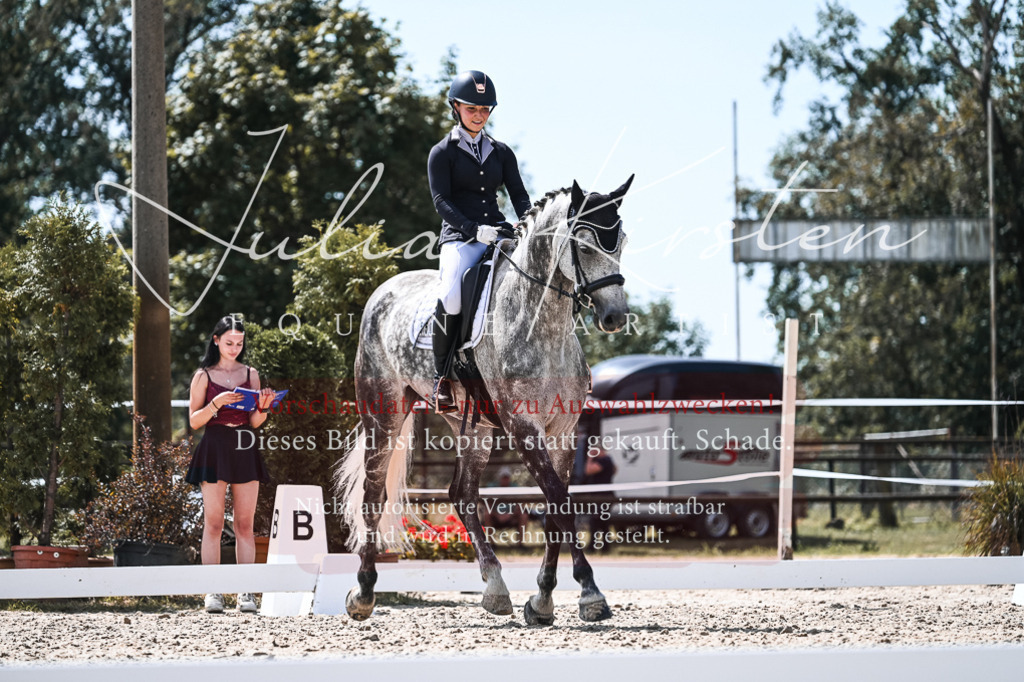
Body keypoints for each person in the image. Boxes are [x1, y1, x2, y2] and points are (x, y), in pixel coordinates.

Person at [427, 69, 532, 412]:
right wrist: (473, 230)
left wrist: (528, 222)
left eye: (485, 109)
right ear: (455, 107)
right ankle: (442, 377)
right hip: (460, 238)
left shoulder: (501, 152)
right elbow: (441, 201)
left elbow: (518, 194)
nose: (478, 115)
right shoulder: (443, 152)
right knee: (451, 294)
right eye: (472, 108)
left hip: (500, 234)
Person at [185, 315, 276, 614]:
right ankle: (213, 591)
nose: (235, 348)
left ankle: (246, 592)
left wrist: (263, 407)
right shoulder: (203, 376)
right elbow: (194, 421)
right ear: (216, 340)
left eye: (239, 343)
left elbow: (255, 422)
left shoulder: (251, 374)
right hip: (214, 447)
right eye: (229, 343)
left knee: (245, 525)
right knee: (213, 522)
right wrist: (218, 403)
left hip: (244, 447)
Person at [479, 467, 530, 548]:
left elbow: (520, 504)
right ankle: (492, 544)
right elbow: (487, 503)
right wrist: (497, 515)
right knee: (486, 514)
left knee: (524, 515)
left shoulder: (515, 488)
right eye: (503, 477)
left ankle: (520, 544)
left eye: (507, 477)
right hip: (495, 517)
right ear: (499, 478)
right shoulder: (492, 487)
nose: (505, 480)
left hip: (511, 517)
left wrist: (510, 514)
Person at [583, 445, 617, 552]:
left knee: (596, 520)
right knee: (602, 522)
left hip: (602, 496)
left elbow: (588, 470)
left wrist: (589, 458)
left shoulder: (604, 460)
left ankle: (593, 546)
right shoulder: (608, 460)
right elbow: (615, 469)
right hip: (601, 495)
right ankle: (604, 547)